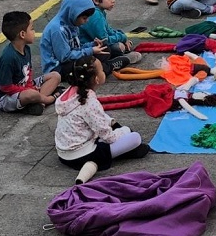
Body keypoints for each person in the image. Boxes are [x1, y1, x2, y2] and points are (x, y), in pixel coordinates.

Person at [55, 56, 150, 184]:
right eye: (102, 70)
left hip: (63, 153)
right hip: (82, 155)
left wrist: (111, 122)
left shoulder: (69, 93)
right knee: (134, 137)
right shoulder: (89, 102)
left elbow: (95, 117)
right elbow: (108, 137)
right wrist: (122, 131)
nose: (104, 72)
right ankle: (123, 152)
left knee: (113, 127)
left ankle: (123, 150)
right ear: (97, 79)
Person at [0, 11, 61, 116]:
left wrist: (30, 86)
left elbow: (28, 73)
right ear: (22, 34)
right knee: (30, 94)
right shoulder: (8, 58)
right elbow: (5, 87)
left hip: (23, 87)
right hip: (6, 97)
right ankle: (49, 99)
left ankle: (38, 102)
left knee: (55, 76)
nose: (34, 32)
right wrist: (29, 89)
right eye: (32, 28)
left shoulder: (26, 49)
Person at [80, 0, 142, 73]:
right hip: (88, 49)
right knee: (117, 47)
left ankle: (120, 55)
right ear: (96, 0)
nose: (113, 1)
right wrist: (122, 37)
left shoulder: (99, 11)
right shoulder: (95, 15)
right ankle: (115, 60)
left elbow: (108, 30)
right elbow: (104, 40)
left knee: (120, 44)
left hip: (93, 46)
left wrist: (120, 35)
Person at [40, 0, 107, 79]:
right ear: (73, 13)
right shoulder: (57, 30)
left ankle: (104, 67)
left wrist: (92, 44)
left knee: (105, 48)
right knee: (90, 67)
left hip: (71, 60)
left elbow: (77, 47)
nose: (86, 21)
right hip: (58, 68)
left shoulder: (72, 23)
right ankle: (108, 67)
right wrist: (90, 51)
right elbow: (65, 57)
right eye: (84, 18)